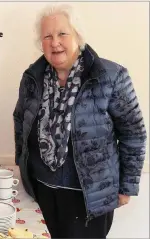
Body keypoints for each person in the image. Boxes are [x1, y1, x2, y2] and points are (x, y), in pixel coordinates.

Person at [13, 4, 147, 239]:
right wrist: (22, 164)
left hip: (88, 198)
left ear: (77, 35)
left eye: (62, 33)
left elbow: (133, 133)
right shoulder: (32, 78)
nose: (55, 42)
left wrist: (127, 186)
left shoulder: (110, 76)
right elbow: (20, 120)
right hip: (41, 192)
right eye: (47, 36)